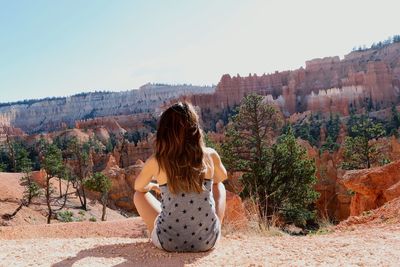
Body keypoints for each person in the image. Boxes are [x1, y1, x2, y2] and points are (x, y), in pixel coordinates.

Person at [134, 102, 227, 252]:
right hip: (207, 242)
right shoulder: (209, 155)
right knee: (219, 185)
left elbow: (138, 187)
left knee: (139, 195)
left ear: (164, 132)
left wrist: (153, 186)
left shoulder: (157, 161)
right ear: (195, 129)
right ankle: (215, 227)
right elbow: (222, 176)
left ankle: (155, 233)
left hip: (168, 243)